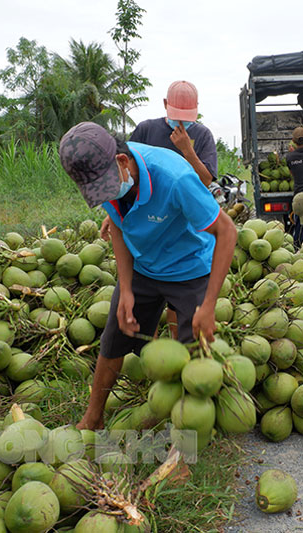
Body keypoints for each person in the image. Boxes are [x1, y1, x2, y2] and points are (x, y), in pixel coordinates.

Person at [59, 121, 237, 430]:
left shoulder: (175, 177)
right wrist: (125, 288)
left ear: (122, 161)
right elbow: (117, 223)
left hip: (188, 267)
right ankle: (93, 418)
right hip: (144, 267)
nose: (106, 194)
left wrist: (208, 306)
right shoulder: (109, 177)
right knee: (113, 339)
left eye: (106, 187)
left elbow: (227, 231)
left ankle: (185, 448)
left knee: (193, 358)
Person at [101, 80, 218, 338]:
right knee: (147, 300)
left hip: (182, 228)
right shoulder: (146, 130)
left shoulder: (203, 135)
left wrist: (187, 149)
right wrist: (113, 215)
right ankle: (151, 349)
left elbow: (207, 180)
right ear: (165, 105)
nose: (181, 123)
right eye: (176, 116)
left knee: (178, 296)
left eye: (188, 118)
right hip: (147, 226)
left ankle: (176, 342)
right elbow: (123, 172)